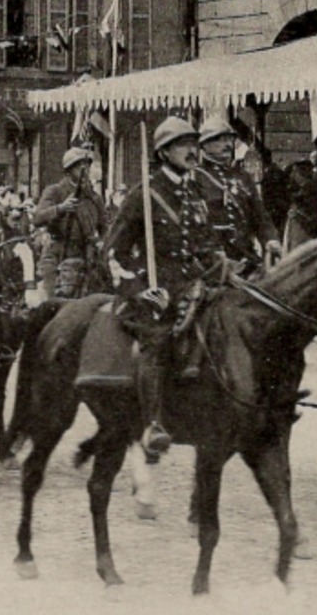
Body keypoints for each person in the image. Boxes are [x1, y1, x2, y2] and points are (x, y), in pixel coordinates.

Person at [103, 116, 221, 458]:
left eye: (194, 144)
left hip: (195, 284)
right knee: (156, 338)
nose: (192, 151)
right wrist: (140, 289)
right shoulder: (145, 195)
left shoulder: (195, 195)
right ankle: (152, 422)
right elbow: (112, 253)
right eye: (184, 144)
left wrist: (222, 263)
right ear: (164, 151)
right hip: (157, 289)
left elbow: (205, 245)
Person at [194, 115, 282, 277]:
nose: (227, 144)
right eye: (220, 140)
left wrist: (270, 239)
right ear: (204, 145)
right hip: (212, 265)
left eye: (230, 139)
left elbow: (260, 216)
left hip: (246, 259)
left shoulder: (243, 177)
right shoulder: (195, 177)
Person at [33, 146, 106, 298]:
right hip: (58, 253)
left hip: (86, 257)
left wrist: (102, 242)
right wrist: (60, 208)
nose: (84, 169)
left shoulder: (94, 198)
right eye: (79, 165)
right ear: (68, 170)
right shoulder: (55, 191)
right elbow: (38, 218)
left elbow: (105, 227)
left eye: (87, 165)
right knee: (48, 299)